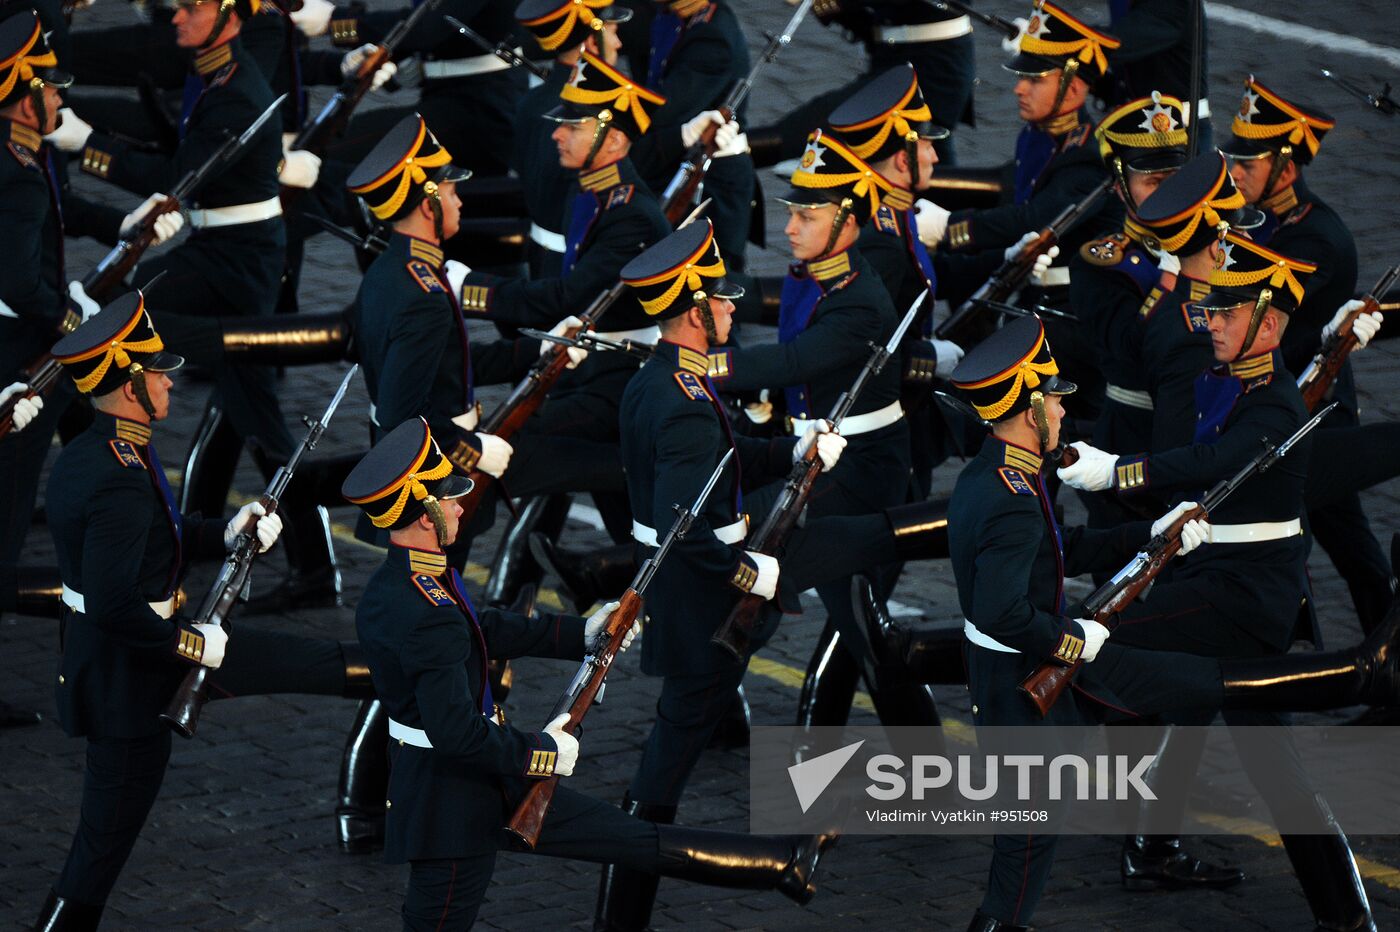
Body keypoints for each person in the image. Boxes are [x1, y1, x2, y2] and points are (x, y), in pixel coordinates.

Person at [946, 313, 1396, 931]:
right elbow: (1016, 599)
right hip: (1049, 664)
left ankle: (1321, 898)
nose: (1062, 411)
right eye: (1053, 399)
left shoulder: (993, 477)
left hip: (1233, 594)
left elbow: (1080, 540)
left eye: (1228, 312)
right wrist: (1079, 632)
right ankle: (1351, 683)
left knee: (1223, 720)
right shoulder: (1015, 497)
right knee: (1035, 829)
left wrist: (1142, 519)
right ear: (1030, 411)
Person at [342, 416, 837, 931]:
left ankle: (782, 863)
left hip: (485, 777)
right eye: (449, 495)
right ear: (424, 511)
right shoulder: (428, 609)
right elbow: (454, 731)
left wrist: (578, 634)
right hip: (452, 804)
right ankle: (783, 863)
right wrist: (542, 751)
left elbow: (478, 628)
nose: (460, 502)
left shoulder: (403, 581)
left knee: (628, 838)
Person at [597, 218, 951, 930]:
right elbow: (687, 528)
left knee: (849, 548)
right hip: (707, 601)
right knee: (664, 766)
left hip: (699, 588)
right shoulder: (686, 408)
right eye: (721, 300)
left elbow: (723, 469)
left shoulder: (660, 383)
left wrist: (793, 448)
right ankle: (623, 911)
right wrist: (748, 575)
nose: (733, 308)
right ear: (694, 309)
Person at [1057, 233, 1378, 932]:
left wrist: (1116, 472)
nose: (1210, 324)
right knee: (1277, 769)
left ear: (1267, 323)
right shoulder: (1235, 380)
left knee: (1093, 642)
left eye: (1226, 314)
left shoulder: (1273, 409)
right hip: (1220, 577)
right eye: (1209, 311)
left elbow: (1210, 459)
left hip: (1242, 598)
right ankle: (1346, 915)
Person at [34, 293, 381, 930]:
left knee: (311, 662)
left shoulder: (108, 450)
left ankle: (400, 680)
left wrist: (225, 532)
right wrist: (192, 645)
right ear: (130, 387)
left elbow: (155, 538)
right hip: (132, 675)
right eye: (156, 371)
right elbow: (114, 603)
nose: (169, 378)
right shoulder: (117, 471)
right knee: (100, 846)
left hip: (135, 656)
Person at [43, 0, 343, 608]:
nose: (176, 17)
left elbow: (181, 171)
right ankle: (307, 565)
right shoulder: (217, 72)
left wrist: (86, 145)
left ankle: (313, 568)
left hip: (233, 260)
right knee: (251, 410)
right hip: (225, 248)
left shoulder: (233, 90)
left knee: (114, 334)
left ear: (230, 16)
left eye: (192, 7)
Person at [0, 10, 181, 726]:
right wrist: (75, 323)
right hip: (18, 353)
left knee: (97, 438)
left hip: (31, 341)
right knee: (6, 519)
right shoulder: (11, 170)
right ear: (22, 94)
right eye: (51, 89)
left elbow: (60, 207)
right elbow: (19, 283)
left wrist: (124, 226)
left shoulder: (20, 151)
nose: (61, 102)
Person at [1220, 75, 1392, 636]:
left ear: (1286, 169)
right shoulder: (1258, 219)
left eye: (1247, 167)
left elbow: (1272, 328)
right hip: (1277, 402)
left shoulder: (1318, 240)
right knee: (1347, 539)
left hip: (1312, 404)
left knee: (1329, 536)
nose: (1235, 175)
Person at [937, 0, 1121, 418]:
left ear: (1074, 89)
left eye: (1035, 79)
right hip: (1033, 293)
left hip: (1076, 315)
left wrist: (949, 228)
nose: (1020, 88)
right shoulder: (1038, 136)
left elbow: (1031, 219)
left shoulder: (1088, 157)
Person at [511, 0, 631, 276]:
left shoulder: (532, 101)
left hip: (539, 248)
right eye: (613, 33)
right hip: (579, 258)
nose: (618, 44)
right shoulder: (593, 111)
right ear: (591, 41)